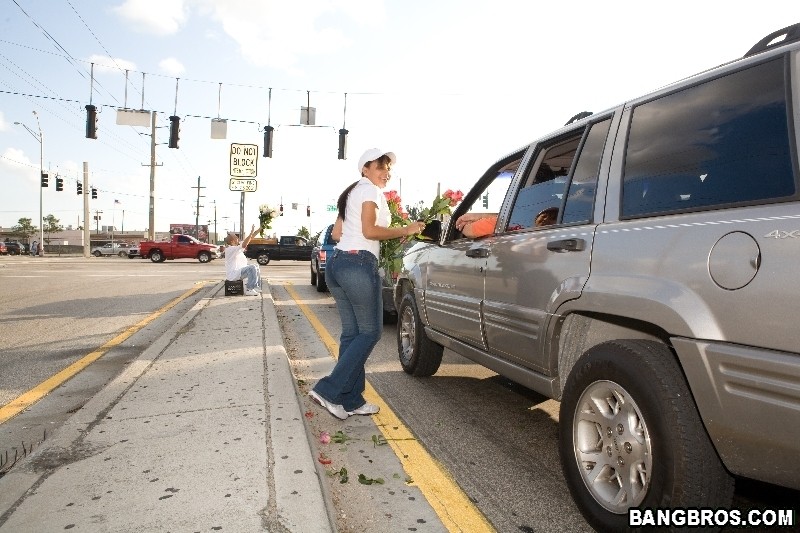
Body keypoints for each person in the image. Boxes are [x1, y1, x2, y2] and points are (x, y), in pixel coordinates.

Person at [309, 148, 426, 420]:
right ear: (365, 169)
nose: (386, 174)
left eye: (388, 169)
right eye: (380, 168)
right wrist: (407, 230)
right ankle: (329, 390)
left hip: (338, 264)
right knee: (370, 333)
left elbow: (338, 234)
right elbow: (370, 231)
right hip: (358, 265)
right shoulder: (371, 191)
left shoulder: (351, 193)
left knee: (352, 335)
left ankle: (350, 399)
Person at [224, 225, 262, 296]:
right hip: (233, 274)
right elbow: (244, 244)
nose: (238, 239)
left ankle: (255, 287)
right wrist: (251, 232)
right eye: (236, 238)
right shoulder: (230, 249)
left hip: (239, 271)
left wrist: (259, 229)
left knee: (256, 265)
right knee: (252, 268)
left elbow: (250, 238)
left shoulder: (235, 247)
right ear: (232, 241)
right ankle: (249, 289)